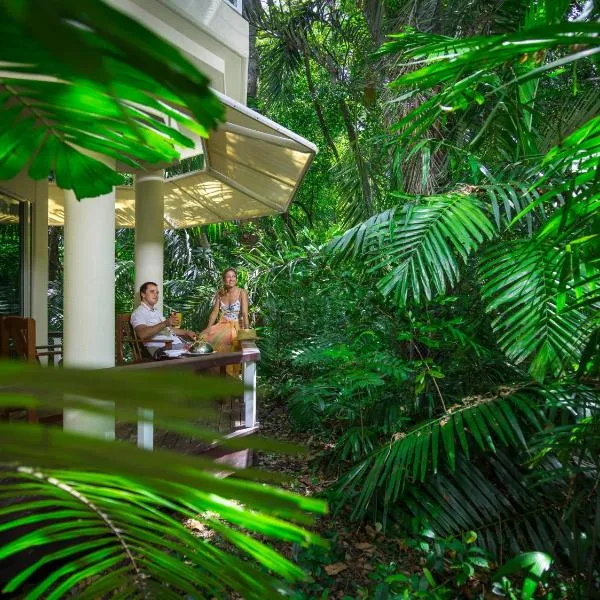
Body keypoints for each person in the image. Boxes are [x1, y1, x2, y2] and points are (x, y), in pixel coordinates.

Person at [130, 281, 196, 357]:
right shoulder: (138, 313)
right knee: (197, 353)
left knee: (202, 349)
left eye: (157, 292)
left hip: (175, 345)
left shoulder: (156, 311)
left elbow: (168, 329)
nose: (156, 295)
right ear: (143, 294)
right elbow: (142, 334)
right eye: (152, 292)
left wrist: (186, 332)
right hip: (161, 348)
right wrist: (165, 323)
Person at [202, 268, 249, 373]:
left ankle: (228, 375)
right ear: (224, 280)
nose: (231, 279)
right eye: (228, 277)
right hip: (222, 324)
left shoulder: (242, 292)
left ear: (236, 279)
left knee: (228, 342)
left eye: (233, 276)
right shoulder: (220, 293)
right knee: (203, 337)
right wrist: (208, 328)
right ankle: (214, 373)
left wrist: (247, 331)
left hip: (235, 325)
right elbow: (214, 312)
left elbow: (245, 313)